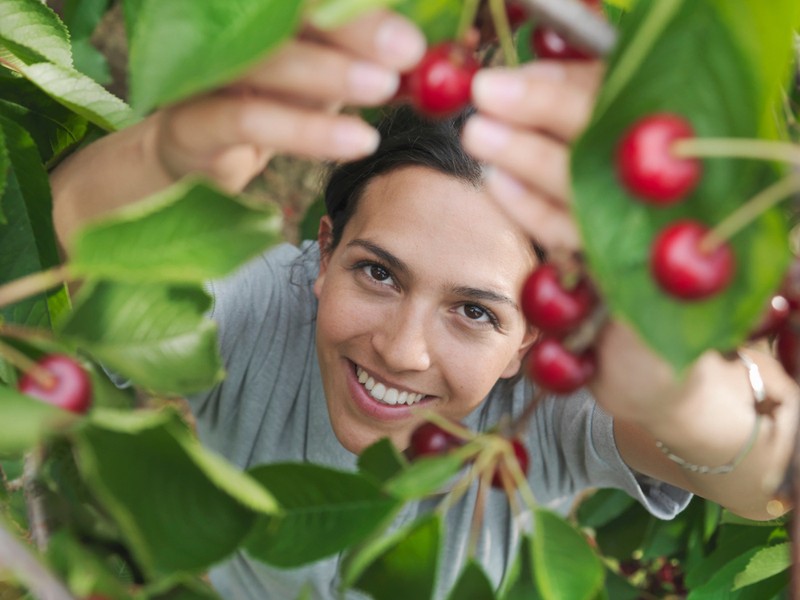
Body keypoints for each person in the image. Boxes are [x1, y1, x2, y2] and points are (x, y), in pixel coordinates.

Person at [50, 8, 799, 599]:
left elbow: (761, 485)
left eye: (476, 312)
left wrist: (682, 396)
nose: (402, 349)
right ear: (324, 250)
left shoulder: (548, 411)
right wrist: (163, 158)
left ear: (531, 338)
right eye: (377, 273)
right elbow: (70, 264)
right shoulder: (264, 309)